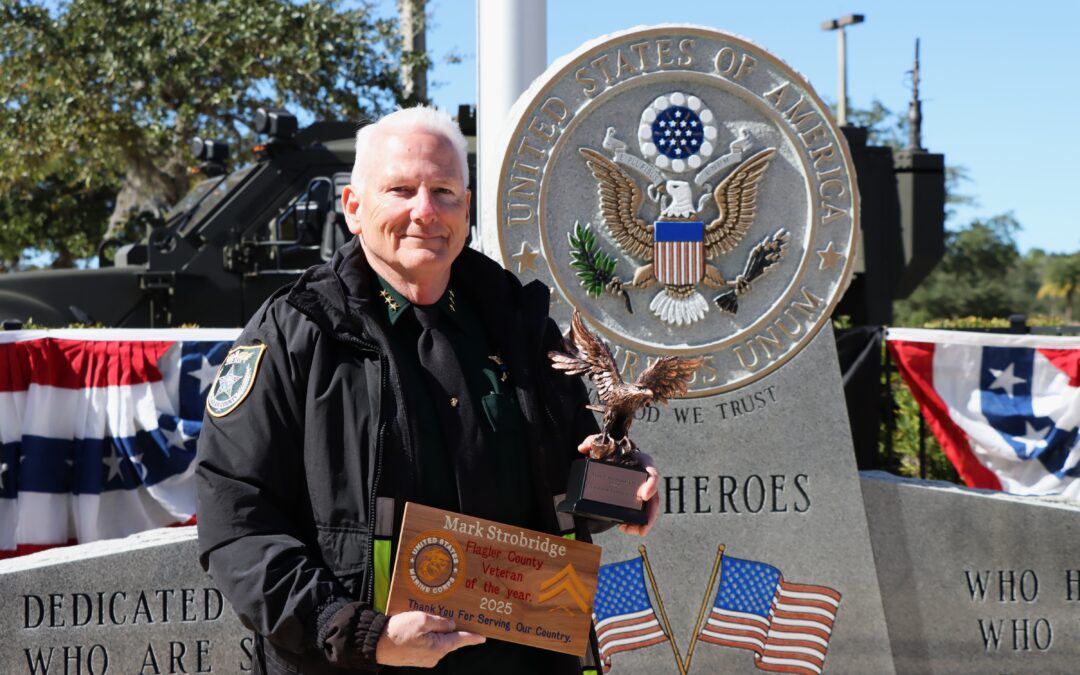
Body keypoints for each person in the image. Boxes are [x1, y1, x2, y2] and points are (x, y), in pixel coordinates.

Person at [195, 105, 660, 674]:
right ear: (354, 209)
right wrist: (361, 634)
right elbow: (236, 524)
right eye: (401, 189)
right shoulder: (294, 334)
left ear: (465, 210)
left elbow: (563, 485)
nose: (424, 212)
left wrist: (619, 486)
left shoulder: (518, 325)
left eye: (444, 191)